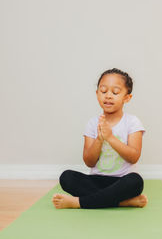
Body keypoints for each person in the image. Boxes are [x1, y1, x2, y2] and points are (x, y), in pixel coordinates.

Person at [52, 68, 148, 209]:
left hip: (122, 181)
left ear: (127, 98)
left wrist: (110, 137)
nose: (108, 96)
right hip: (96, 180)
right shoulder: (92, 123)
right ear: (97, 94)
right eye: (103, 91)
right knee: (67, 177)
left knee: (136, 181)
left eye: (115, 92)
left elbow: (134, 157)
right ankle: (122, 202)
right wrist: (99, 139)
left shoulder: (133, 122)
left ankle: (79, 203)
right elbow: (89, 162)